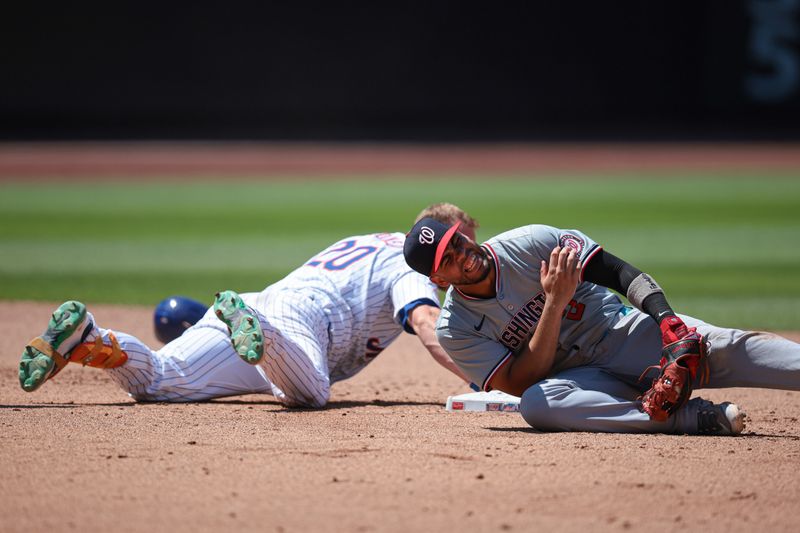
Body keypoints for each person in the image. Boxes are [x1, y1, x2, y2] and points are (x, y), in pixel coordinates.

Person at [18, 204, 477, 407]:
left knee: (156, 382)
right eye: (462, 243)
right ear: (435, 240)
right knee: (310, 393)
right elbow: (426, 323)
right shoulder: (411, 268)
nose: (469, 257)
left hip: (256, 309)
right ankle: (256, 327)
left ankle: (94, 341)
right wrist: (485, 379)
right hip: (297, 321)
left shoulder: (368, 240)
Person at [403, 218, 800, 435]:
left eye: (456, 242)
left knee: (725, 346)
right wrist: (554, 304)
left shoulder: (530, 243)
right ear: (439, 279)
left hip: (622, 334)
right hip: (584, 382)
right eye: (448, 258)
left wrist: (668, 324)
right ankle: (691, 418)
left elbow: (619, 272)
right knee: (539, 406)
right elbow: (522, 381)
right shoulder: (455, 328)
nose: (463, 254)